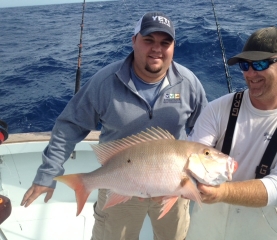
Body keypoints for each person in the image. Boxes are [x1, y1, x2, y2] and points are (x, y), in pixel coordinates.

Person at [20, 12, 208, 240]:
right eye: (148, 40)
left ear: (173, 47)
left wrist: (199, 179)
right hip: (120, 184)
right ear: (134, 41)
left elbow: (206, 133)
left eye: (165, 43)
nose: (157, 49)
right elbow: (69, 126)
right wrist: (48, 173)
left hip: (173, 188)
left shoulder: (189, 83)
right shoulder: (105, 82)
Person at [186, 26, 277, 240]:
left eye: (260, 64)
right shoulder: (217, 108)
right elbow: (190, 156)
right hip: (206, 229)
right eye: (245, 65)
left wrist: (222, 193)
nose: (250, 73)